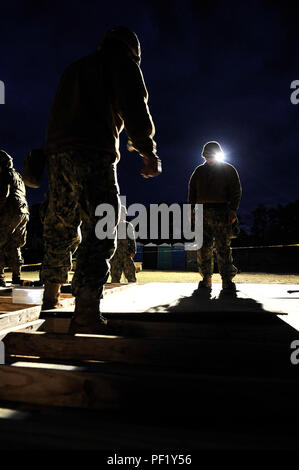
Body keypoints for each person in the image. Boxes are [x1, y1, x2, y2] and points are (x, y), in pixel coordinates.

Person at [40, 26, 161, 332]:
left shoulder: (74, 68)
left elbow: (55, 114)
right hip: (93, 152)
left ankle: (51, 296)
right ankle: (86, 311)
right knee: (102, 228)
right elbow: (134, 108)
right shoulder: (122, 63)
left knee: (60, 225)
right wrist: (147, 152)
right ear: (132, 50)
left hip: (57, 156)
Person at [188, 141, 241, 291]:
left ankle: (227, 281)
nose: (209, 159)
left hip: (222, 212)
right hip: (201, 213)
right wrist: (191, 210)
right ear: (204, 156)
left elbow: (236, 191)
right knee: (203, 248)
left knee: (223, 247)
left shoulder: (228, 170)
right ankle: (206, 279)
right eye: (207, 156)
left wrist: (232, 210)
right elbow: (192, 192)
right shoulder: (198, 171)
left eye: (211, 156)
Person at [0, 150, 29, 286]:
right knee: (14, 244)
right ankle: (17, 276)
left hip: (10, 211)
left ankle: (0, 277)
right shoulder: (18, 176)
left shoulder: (5, 174)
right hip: (23, 212)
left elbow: (4, 193)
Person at [110, 205, 137, 283]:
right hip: (115, 256)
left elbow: (132, 240)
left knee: (131, 278)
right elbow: (109, 240)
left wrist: (133, 251)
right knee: (115, 280)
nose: (122, 215)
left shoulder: (128, 226)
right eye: (120, 213)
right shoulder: (112, 225)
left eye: (123, 214)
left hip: (126, 255)